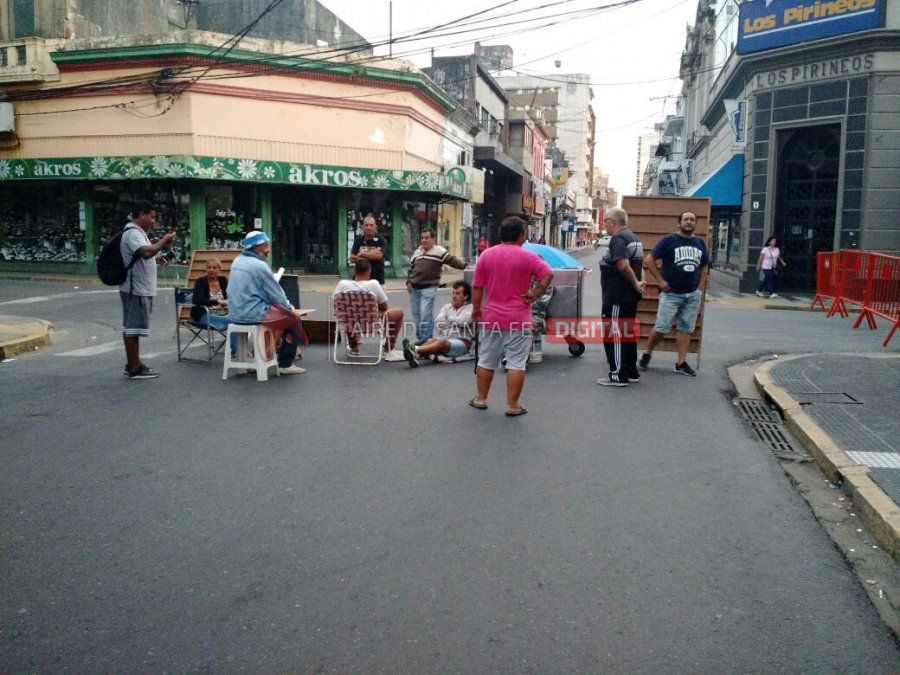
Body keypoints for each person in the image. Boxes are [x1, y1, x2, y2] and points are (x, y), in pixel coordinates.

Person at [469, 216, 553, 417]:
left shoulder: (486, 255)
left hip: (492, 317)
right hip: (519, 317)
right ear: (522, 235)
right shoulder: (529, 257)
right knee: (516, 362)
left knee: (486, 359)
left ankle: (481, 398)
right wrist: (534, 294)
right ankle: (513, 405)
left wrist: (476, 309)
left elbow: (477, 286)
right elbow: (548, 274)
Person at [640, 211, 709, 377]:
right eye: (686, 219)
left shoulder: (700, 243)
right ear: (679, 223)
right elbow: (649, 259)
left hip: (692, 294)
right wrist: (660, 281)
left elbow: (705, 266)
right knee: (662, 327)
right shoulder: (669, 240)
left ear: (695, 223)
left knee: (686, 328)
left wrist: (700, 288)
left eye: (692, 219)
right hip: (671, 293)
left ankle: (681, 363)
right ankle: (647, 353)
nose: (689, 222)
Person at [228, 230, 307, 375]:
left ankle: (257, 357)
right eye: (266, 246)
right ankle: (285, 364)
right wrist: (291, 309)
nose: (268, 250)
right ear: (256, 247)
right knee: (293, 320)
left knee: (280, 314)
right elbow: (277, 295)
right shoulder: (259, 266)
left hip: (235, 313)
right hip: (251, 314)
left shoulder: (237, 261)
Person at [120, 200, 176, 379]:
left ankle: (133, 363)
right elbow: (146, 252)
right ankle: (134, 367)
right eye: (151, 217)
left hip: (138, 288)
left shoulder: (139, 233)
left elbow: (146, 254)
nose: (153, 221)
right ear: (141, 215)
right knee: (132, 328)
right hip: (135, 289)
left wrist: (157, 257)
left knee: (133, 328)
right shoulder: (133, 233)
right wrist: (164, 241)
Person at [596, 207, 645, 387]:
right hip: (628, 296)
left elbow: (623, 265)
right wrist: (639, 282)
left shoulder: (618, 239)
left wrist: (636, 283)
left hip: (617, 296)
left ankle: (618, 374)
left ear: (613, 221)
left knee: (615, 334)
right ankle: (631, 371)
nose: (604, 224)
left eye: (605, 220)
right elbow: (638, 266)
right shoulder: (634, 238)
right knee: (627, 333)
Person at [333, 259, 405, 361]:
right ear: (369, 272)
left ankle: (353, 347)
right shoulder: (373, 284)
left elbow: (336, 305)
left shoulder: (342, 284)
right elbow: (384, 307)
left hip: (350, 322)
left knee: (347, 313)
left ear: (354, 271)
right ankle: (388, 348)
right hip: (371, 323)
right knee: (399, 313)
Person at [406, 228, 467, 345]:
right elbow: (411, 268)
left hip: (429, 288)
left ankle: (425, 340)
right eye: (422, 238)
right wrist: (408, 282)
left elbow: (452, 260)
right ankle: (422, 340)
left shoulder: (439, 251)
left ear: (433, 239)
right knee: (417, 316)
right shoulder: (417, 252)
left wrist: (464, 266)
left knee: (425, 314)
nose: (424, 240)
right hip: (415, 288)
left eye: (427, 238)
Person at [402, 280, 474, 367]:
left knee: (441, 342)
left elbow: (462, 322)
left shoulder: (471, 308)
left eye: (457, 294)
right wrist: (453, 322)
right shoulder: (446, 307)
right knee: (430, 340)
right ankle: (414, 355)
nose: (454, 296)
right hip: (445, 338)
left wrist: (449, 319)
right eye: (453, 293)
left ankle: (413, 349)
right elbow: (438, 323)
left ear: (466, 296)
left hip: (462, 343)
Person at [190, 258, 230, 331]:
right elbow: (198, 300)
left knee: (240, 319)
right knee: (233, 322)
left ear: (219, 269)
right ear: (206, 269)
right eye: (209, 267)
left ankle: (234, 339)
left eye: (214, 268)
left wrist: (226, 303)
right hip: (204, 315)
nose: (211, 270)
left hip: (222, 314)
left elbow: (228, 297)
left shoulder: (223, 280)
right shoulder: (200, 281)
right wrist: (218, 301)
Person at [350, 214, 388, 285]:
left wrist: (362, 254)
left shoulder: (381, 240)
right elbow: (352, 258)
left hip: (378, 282)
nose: (369, 227)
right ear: (362, 227)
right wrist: (372, 255)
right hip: (359, 282)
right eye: (366, 225)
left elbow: (379, 256)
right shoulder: (358, 240)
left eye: (371, 225)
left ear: (375, 227)